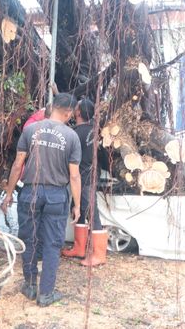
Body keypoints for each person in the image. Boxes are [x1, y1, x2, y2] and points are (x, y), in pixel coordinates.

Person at [1, 93, 81, 307]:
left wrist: (9, 193)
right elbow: (74, 175)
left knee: (29, 239)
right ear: (68, 112)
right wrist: (78, 205)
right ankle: (46, 293)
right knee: (53, 244)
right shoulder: (72, 137)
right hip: (56, 195)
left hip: (30, 192)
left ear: (52, 106)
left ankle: (30, 286)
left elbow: (18, 165)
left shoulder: (30, 130)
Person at [61, 99, 107, 266]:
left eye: (76, 108)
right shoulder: (95, 130)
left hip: (83, 178)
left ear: (78, 113)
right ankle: (79, 248)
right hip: (92, 174)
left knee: (91, 213)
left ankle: (99, 255)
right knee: (78, 208)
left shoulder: (75, 133)